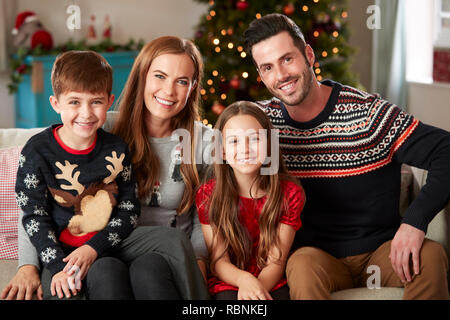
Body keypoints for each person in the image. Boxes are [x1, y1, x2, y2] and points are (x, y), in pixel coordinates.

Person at [243, 13, 450, 299]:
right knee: (302, 264)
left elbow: (445, 151)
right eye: (267, 67)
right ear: (261, 75)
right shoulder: (262, 124)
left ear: (308, 54)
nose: (281, 76)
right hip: (316, 258)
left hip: (384, 252)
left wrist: (415, 221)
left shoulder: (368, 114)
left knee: (430, 256)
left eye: (287, 59)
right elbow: (218, 156)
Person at [1, 37, 211, 300]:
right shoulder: (100, 127)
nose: (169, 90)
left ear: (193, 87)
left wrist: (199, 264)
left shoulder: (203, 141)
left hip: (136, 242)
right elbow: (34, 207)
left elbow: (203, 215)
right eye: (160, 76)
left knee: (164, 250)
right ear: (142, 77)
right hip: (88, 244)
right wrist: (29, 266)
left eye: (182, 81)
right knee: (101, 271)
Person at [13, 50, 140, 300]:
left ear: (109, 101)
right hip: (58, 255)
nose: (86, 113)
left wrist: (94, 248)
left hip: (105, 250)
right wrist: (58, 267)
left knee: (111, 279)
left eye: (96, 101)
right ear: (55, 103)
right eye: (74, 102)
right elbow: (34, 216)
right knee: (61, 293)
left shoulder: (117, 149)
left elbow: (129, 210)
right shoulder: (36, 152)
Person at [196, 101, 305, 300]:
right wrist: (245, 281)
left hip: (270, 280)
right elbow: (219, 261)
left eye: (254, 139)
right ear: (222, 151)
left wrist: (256, 290)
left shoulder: (289, 193)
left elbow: (276, 262)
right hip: (229, 280)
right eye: (234, 141)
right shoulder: (208, 195)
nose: (245, 149)